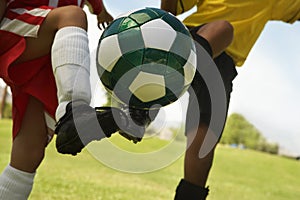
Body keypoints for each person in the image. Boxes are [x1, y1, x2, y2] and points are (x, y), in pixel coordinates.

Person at [0, 0, 152, 199]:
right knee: (72, 16)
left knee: (29, 153)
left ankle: (123, 112)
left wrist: (103, 13)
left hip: (46, 52)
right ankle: (74, 111)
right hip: (20, 24)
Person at [161, 0, 300, 199]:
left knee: (205, 140)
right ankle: (143, 104)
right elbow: (169, 10)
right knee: (223, 28)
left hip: (221, 66)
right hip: (193, 41)